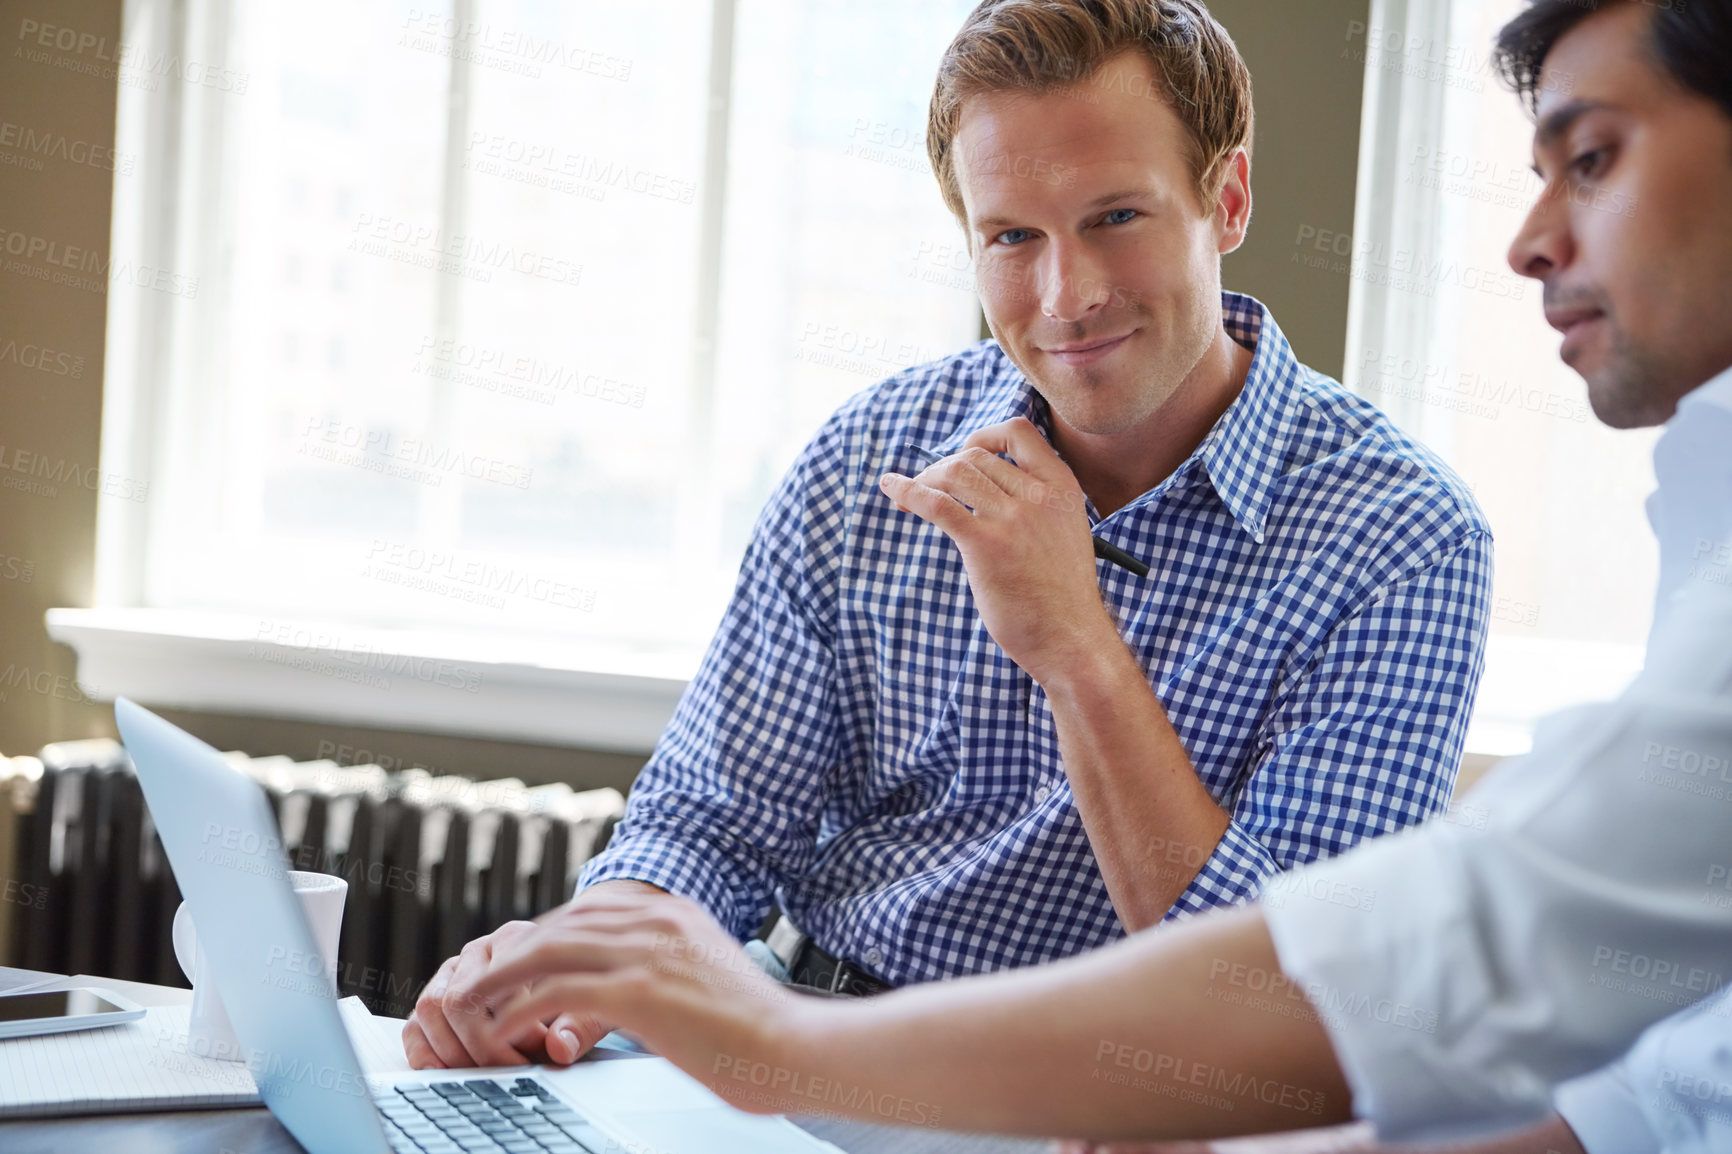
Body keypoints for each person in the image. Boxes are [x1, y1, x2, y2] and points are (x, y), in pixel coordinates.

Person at [430, 0, 1732, 1149]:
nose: (1066, 294)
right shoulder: (875, 453)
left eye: (1115, 217)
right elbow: (712, 817)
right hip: (786, 1049)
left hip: (1102, 1104)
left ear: (1226, 199)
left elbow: (1304, 1003)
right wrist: (581, 967)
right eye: (1010, 236)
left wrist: (1075, 642)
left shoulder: (1399, 535)